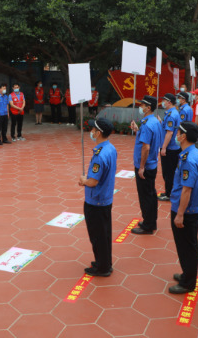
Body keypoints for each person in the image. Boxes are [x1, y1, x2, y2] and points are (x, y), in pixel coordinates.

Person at [168, 122, 198, 294]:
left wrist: (180, 214)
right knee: (184, 245)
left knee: (187, 246)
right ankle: (186, 274)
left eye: (179, 132)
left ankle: (189, 283)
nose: (176, 134)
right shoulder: (193, 153)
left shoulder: (189, 159)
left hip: (186, 210)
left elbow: (186, 189)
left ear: (183, 136)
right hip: (188, 208)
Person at [78, 118, 117, 277]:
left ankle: (102, 267)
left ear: (99, 133)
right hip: (106, 198)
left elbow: (93, 181)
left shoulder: (100, 155)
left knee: (97, 235)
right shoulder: (111, 148)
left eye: (93, 130)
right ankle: (105, 261)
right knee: (105, 233)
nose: (91, 132)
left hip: (96, 200)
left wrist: (83, 181)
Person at [130, 96, 164, 235]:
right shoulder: (155, 121)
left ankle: (148, 225)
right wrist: (138, 130)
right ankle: (151, 221)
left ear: (148, 107)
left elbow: (146, 147)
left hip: (145, 165)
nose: (141, 107)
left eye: (143, 105)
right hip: (152, 164)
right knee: (150, 193)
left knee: (145, 195)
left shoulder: (148, 124)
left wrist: (141, 167)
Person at [158, 94, 181, 202]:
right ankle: (169, 191)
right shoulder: (172, 113)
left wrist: (163, 148)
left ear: (170, 102)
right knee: (169, 172)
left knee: (168, 172)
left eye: (165, 100)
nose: (163, 102)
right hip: (173, 147)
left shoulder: (171, 115)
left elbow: (169, 133)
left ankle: (169, 193)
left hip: (170, 148)